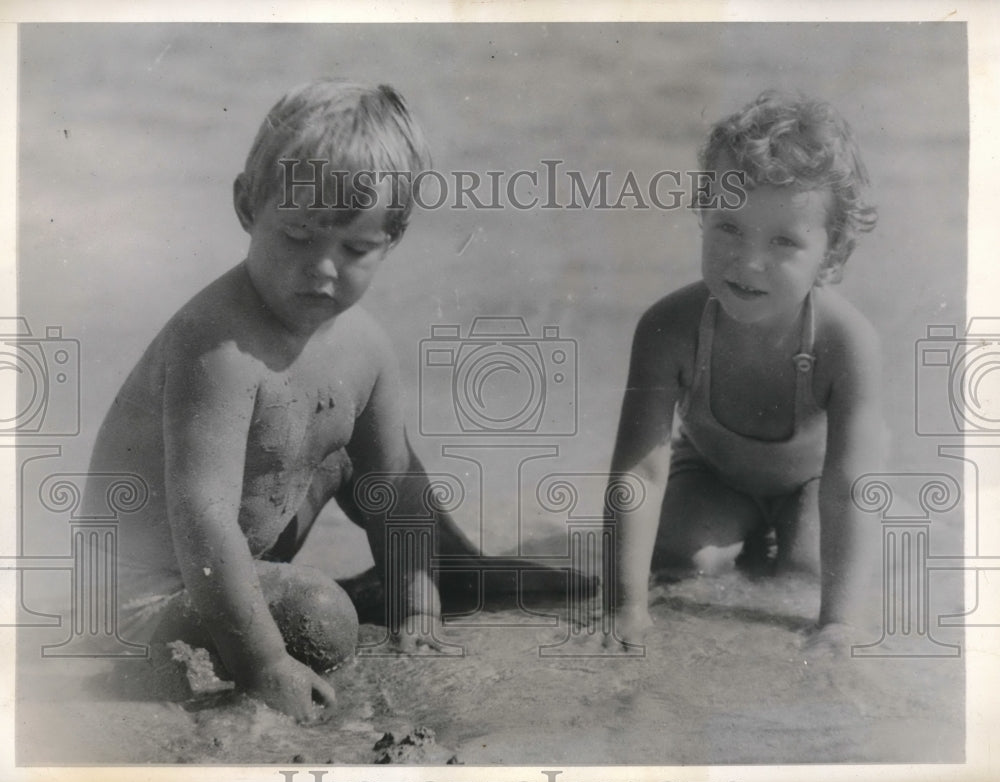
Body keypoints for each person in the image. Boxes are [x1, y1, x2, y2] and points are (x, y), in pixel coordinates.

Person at [85, 78, 584, 721]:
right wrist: (264, 664)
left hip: (237, 576)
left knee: (378, 459)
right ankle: (304, 620)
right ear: (247, 205)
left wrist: (416, 617)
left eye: (354, 248)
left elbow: (396, 490)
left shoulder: (363, 347)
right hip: (144, 608)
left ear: (393, 236)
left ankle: (449, 576)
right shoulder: (217, 347)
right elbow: (202, 519)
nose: (321, 269)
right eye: (297, 236)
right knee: (319, 617)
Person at [605, 90, 884, 653]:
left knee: (807, 572)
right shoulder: (670, 326)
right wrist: (624, 607)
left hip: (812, 484)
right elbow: (639, 475)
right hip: (714, 473)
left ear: (830, 257)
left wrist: (838, 624)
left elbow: (849, 488)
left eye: (783, 241)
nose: (747, 260)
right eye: (729, 227)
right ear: (702, 213)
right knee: (683, 556)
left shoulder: (845, 342)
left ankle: (796, 548)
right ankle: (742, 535)